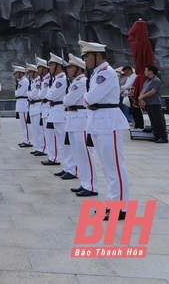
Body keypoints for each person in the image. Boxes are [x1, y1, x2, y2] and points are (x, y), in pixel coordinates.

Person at [80, 40, 130, 221]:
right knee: (107, 167)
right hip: (99, 121)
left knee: (115, 166)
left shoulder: (106, 73)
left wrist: (86, 98)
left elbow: (89, 98)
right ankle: (112, 203)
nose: (85, 60)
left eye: (87, 56)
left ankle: (121, 207)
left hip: (109, 122)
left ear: (98, 56)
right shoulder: (97, 73)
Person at [64, 54, 99, 197]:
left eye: (70, 67)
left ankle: (91, 185)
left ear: (78, 69)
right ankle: (85, 182)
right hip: (73, 119)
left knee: (85, 154)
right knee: (78, 153)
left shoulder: (81, 81)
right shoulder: (76, 81)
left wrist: (66, 100)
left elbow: (67, 100)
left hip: (80, 120)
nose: (68, 70)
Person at [41, 53, 67, 167]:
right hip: (54, 110)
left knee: (62, 140)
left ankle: (67, 166)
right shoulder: (56, 79)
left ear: (59, 67)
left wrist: (49, 94)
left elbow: (50, 96)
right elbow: (49, 94)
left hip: (60, 110)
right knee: (58, 140)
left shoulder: (61, 79)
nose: (50, 67)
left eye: (52, 65)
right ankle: (64, 164)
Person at [138, 65, 167, 143]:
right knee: (153, 121)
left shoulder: (156, 80)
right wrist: (141, 97)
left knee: (158, 121)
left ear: (151, 71)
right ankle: (156, 135)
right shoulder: (147, 80)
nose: (144, 72)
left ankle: (163, 137)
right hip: (148, 103)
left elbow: (153, 91)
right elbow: (143, 90)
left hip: (154, 103)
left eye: (146, 70)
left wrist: (142, 96)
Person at [31, 58, 49, 156]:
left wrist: (31, 95)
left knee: (41, 130)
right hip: (38, 106)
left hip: (40, 105)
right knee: (36, 129)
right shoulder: (38, 80)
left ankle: (43, 148)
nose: (38, 70)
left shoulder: (44, 80)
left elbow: (37, 95)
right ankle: (39, 147)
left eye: (39, 68)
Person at [13, 66, 30, 146]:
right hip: (20, 103)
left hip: (23, 103)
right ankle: (26, 139)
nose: (15, 75)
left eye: (16, 73)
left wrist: (16, 92)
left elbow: (18, 93)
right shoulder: (21, 81)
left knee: (25, 124)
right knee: (23, 124)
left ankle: (28, 140)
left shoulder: (24, 81)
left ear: (20, 73)